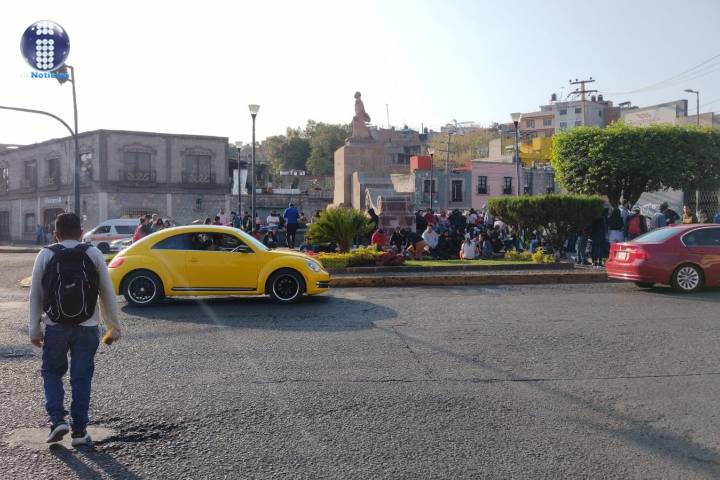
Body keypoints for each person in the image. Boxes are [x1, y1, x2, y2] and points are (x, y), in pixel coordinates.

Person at [28, 213, 122, 446]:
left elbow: (35, 295)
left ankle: (57, 420)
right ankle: (79, 431)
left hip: (55, 326)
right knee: (81, 378)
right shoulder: (93, 253)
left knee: (51, 372)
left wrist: (34, 330)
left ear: (55, 234)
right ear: (81, 232)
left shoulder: (46, 254)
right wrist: (113, 326)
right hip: (87, 326)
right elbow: (107, 292)